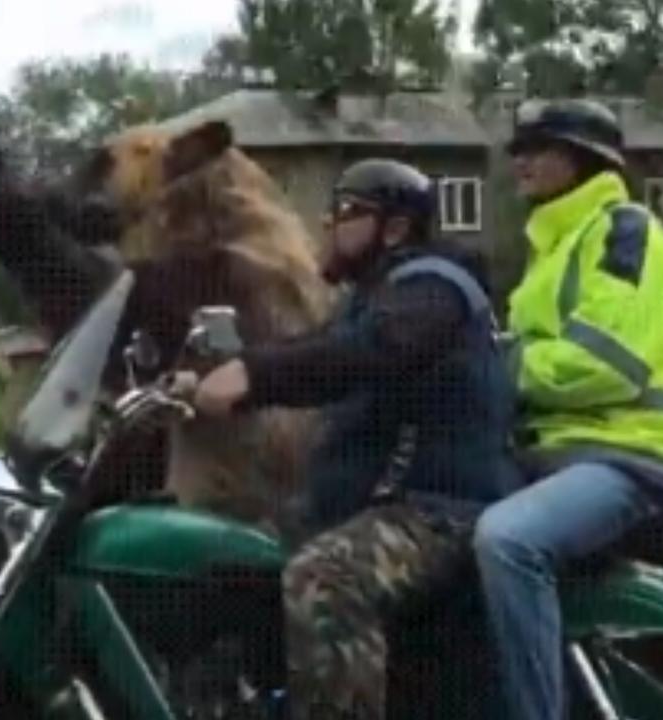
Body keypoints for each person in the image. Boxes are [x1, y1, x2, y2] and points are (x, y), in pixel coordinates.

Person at [184, 158, 524, 719]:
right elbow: (310, 353)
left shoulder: (435, 286)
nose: (329, 223)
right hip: (372, 506)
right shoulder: (369, 300)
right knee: (224, 555)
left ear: (394, 228)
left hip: (438, 509)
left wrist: (255, 377)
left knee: (328, 580)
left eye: (348, 211)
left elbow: (375, 350)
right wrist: (200, 380)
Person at [471, 98, 663, 720]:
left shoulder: (623, 234)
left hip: (634, 458)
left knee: (509, 540)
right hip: (560, 457)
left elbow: (607, 360)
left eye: (538, 148)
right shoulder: (552, 249)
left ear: (583, 160)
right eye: (517, 149)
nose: (520, 161)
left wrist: (500, 367)